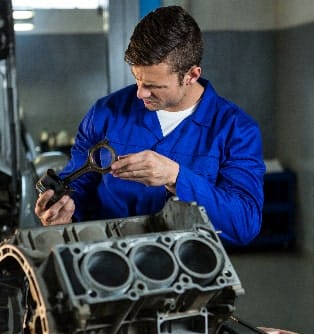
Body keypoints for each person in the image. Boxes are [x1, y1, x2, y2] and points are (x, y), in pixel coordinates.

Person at [35, 5, 265, 246]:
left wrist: (176, 177)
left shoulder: (236, 130)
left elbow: (244, 223)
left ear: (192, 75)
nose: (140, 93)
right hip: (105, 263)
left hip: (187, 269)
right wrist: (63, 212)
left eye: (154, 86)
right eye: (137, 79)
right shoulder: (107, 113)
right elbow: (78, 185)